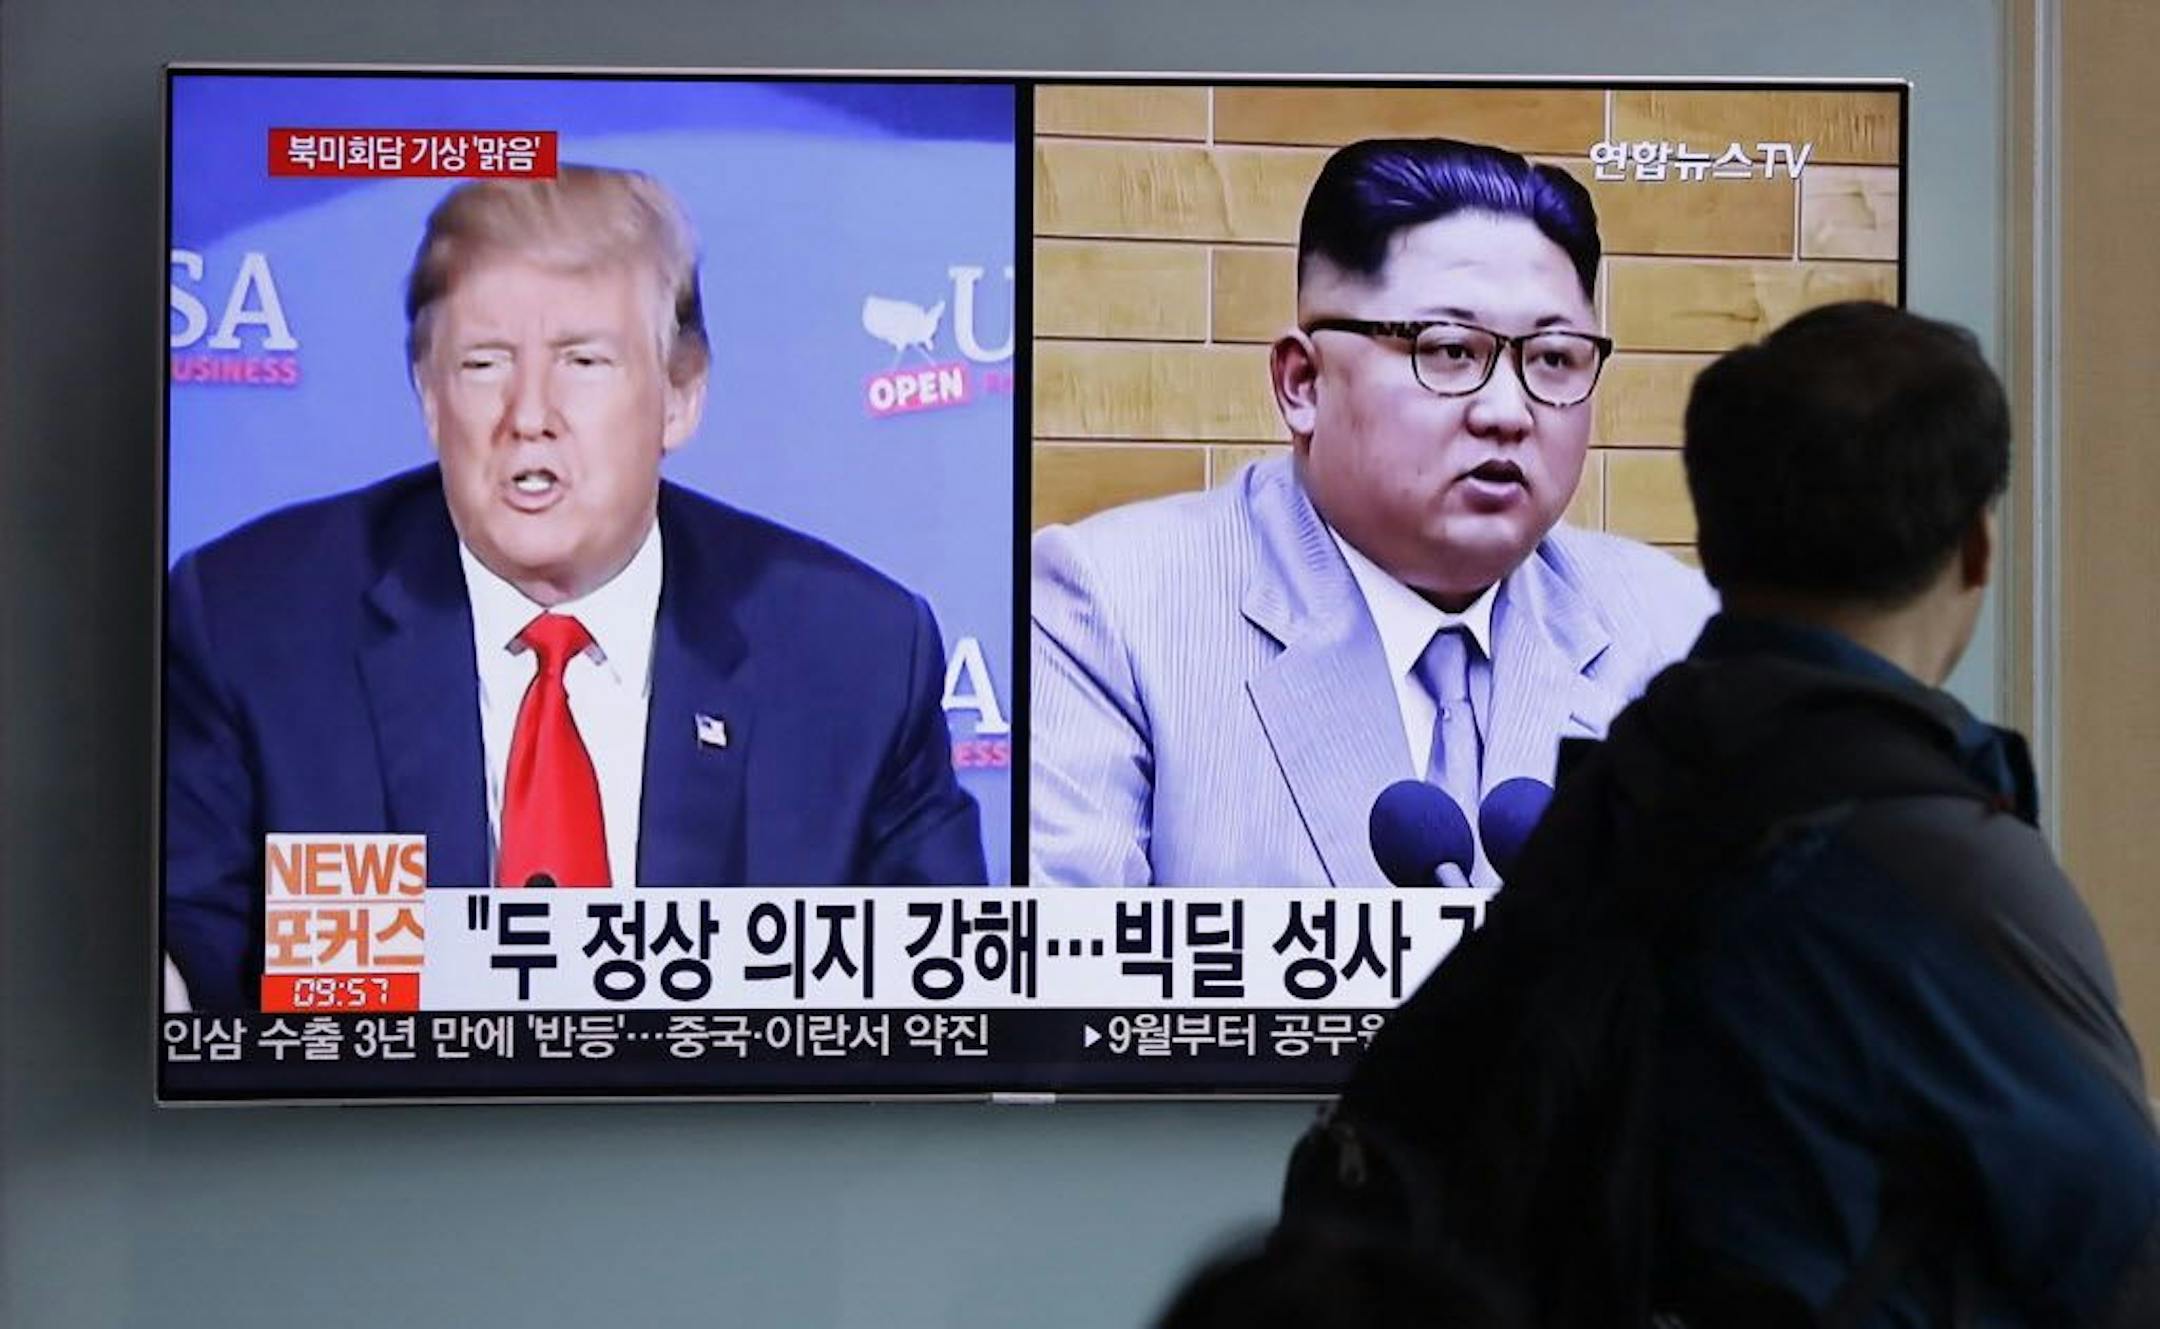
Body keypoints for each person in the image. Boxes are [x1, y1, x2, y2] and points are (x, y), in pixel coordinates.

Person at [165, 165, 985, 1012]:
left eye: (582, 360)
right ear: (428, 398)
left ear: (680, 395)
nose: (529, 414)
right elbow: (188, 950)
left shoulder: (854, 656)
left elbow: (945, 1004)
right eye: (482, 364)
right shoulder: (251, 623)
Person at [1030, 137, 1714, 886]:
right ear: (1303, 383)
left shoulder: (1677, 632)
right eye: (1451, 350)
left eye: (1553, 357)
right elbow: (1070, 974)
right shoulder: (1114, 608)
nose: (1508, 411)